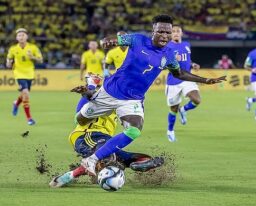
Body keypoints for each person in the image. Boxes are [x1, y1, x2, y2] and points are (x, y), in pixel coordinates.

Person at [77, 14, 226, 176]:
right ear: (153, 30)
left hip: (132, 100)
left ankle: (91, 160)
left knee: (135, 129)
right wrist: (107, 41)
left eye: (168, 33)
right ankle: (91, 88)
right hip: (109, 92)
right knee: (81, 120)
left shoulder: (169, 54)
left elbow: (179, 73)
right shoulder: (137, 40)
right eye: (161, 31)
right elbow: (117, 40)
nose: (165, 36)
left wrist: (205, 80)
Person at [49, 80, 164, 188]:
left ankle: (142, 163)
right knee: (107, 158)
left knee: (127, 158)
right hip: (86, 135)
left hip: (107, 140)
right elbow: (78, 116)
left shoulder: (123, 106)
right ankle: (74, 174)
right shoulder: (99, 101)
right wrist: (90, 88)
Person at [165, 25, 201, 142]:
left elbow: (187, 60)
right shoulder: (167, 46)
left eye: (177, 31)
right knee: (173, 109)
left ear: (181, 33)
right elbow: (161, 64)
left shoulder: (186, 45)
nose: (175, 33)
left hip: (187, 78)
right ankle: (170, 130)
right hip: (173, 81)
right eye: (173, 31)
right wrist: (172, 60)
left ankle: (184, 109)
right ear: (170, 34)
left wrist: (193, 64)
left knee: (197, 100)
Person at [6, 28, 43, 125]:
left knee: (24, 94)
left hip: (30, 74)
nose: (21, 37)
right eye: (19, 35)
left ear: (26, 37)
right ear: (16, 38)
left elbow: (41, 60)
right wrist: (9, 64)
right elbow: (8, 63)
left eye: (23, 35)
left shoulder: (33, 47)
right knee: (26, 93)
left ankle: (16, 103)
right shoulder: (13, 49)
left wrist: (32, 57)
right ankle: (29, 119)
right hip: (18, 73)